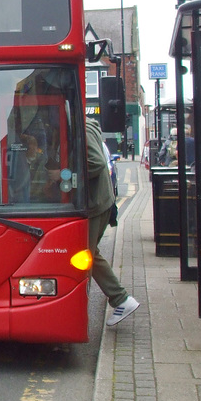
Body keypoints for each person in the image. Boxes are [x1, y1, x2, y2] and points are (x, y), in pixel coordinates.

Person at [85, 116, 139, 326]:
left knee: (83, 256)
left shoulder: (84, 126)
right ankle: (121, 299)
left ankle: (118, 300)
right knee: (89, 254)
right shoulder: (83, 124)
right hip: (98, 202)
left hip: (95, 203)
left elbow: (96, 162)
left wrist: (67, 175)